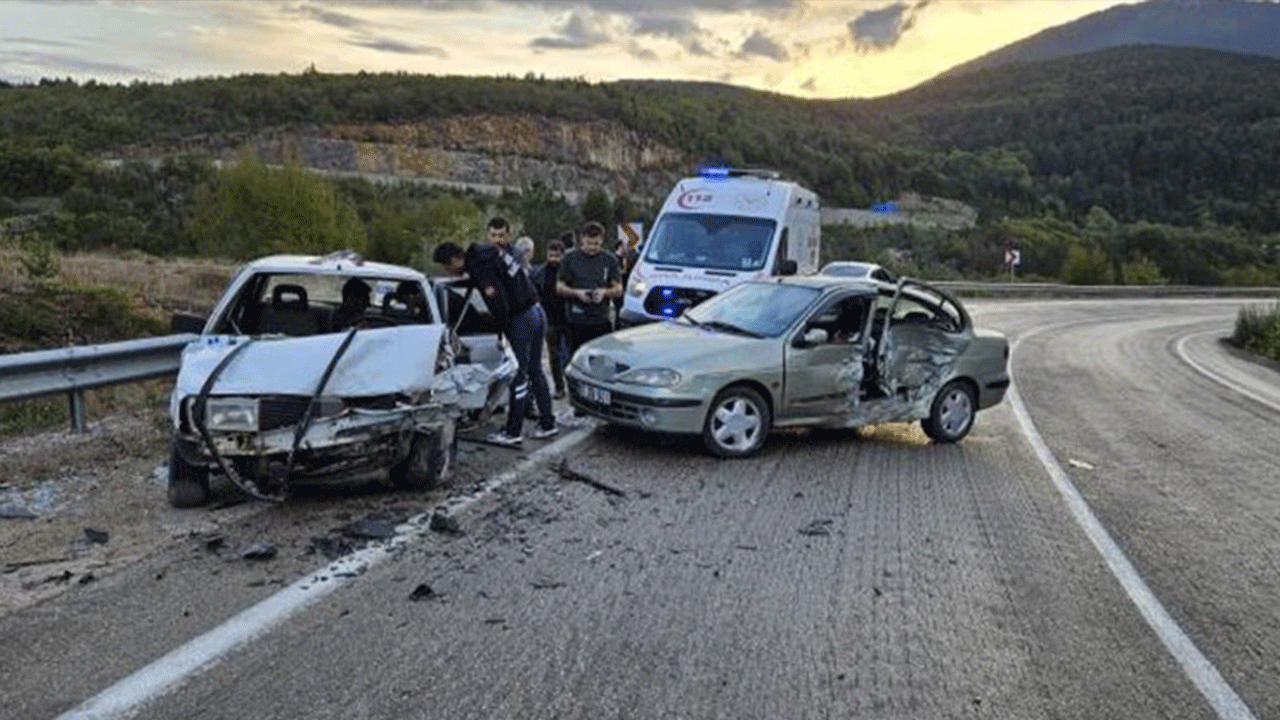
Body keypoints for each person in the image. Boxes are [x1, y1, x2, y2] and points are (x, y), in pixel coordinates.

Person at [433, 236, 556, 447]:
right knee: (535, 370)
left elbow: (498, 302)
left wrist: (498, 328)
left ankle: (512, 431)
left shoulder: (480, 266)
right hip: (536, 311)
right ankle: (548, 423)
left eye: (446, 267)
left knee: (518, 373)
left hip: (521, 319)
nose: (448, 272)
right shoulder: (488, 253)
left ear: (454, 260)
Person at [558, 220, 622, 353]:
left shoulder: (609, 260)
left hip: (601, 319)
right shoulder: (570, 258)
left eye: (596, 244)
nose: (592, 247)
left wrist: (604, 293)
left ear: (602, 241)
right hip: (576, 320)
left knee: (602, 359)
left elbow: (619, 289)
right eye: (589, 243)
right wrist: (577, 293)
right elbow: (559, 287)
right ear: (582, 239)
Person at [532, 239, 569, 399]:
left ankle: (573, 387)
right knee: (554, 356)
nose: (554, 258)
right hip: (550, 319)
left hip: (568, 319)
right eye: (551, 255)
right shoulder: (540, 272)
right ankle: (559, 387)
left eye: (557, 255)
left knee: (570, 355)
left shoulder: (568, 271)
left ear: (563, 255)